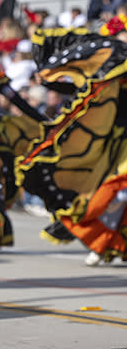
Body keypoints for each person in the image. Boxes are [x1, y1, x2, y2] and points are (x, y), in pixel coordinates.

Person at [19, 15, 127, 266]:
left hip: (118, 142)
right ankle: (99, 243)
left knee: (119, 194)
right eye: (120, 37)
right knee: (104, 195)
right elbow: (79, 90)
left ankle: (106, 244)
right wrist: (50, 82)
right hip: (106, 142)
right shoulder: (104, 72)